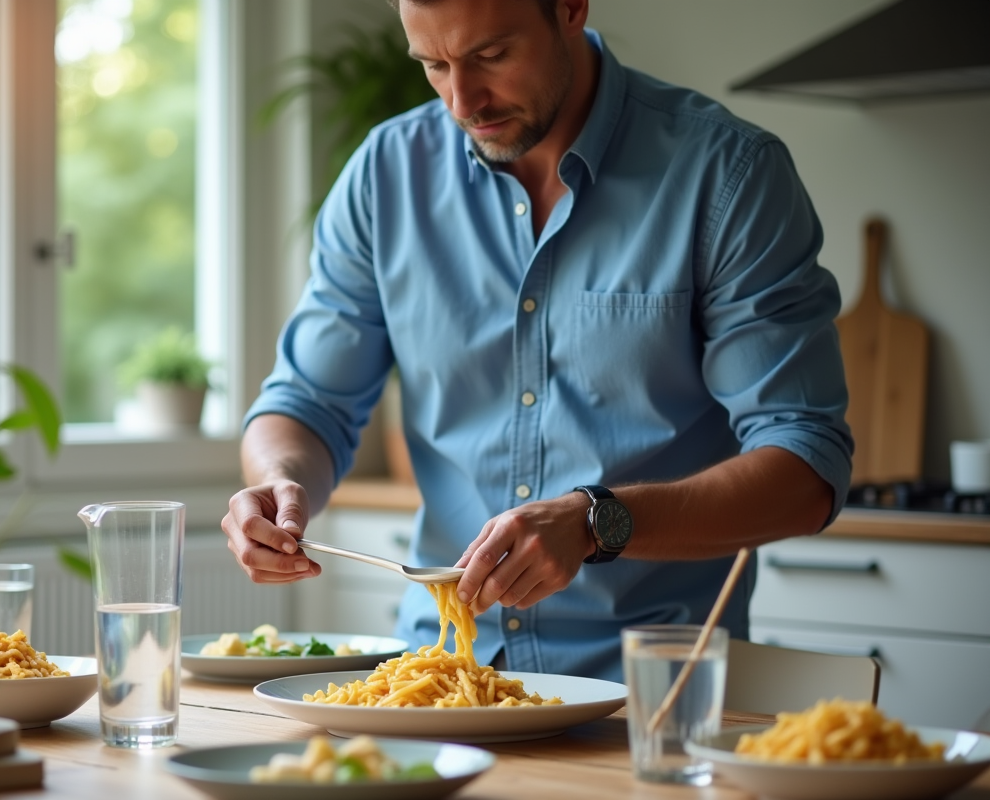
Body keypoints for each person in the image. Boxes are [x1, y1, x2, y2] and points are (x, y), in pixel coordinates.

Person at [221, 0, 853, 681]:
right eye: (434, 65)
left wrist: (596, 522)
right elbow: (308, 402)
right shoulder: (385, 175)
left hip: (652, 693)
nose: (462, 101)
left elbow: (806, 466)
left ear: (571, 8)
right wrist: (278, 484)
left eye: (491, 56)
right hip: (442, 678)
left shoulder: (727, 174)